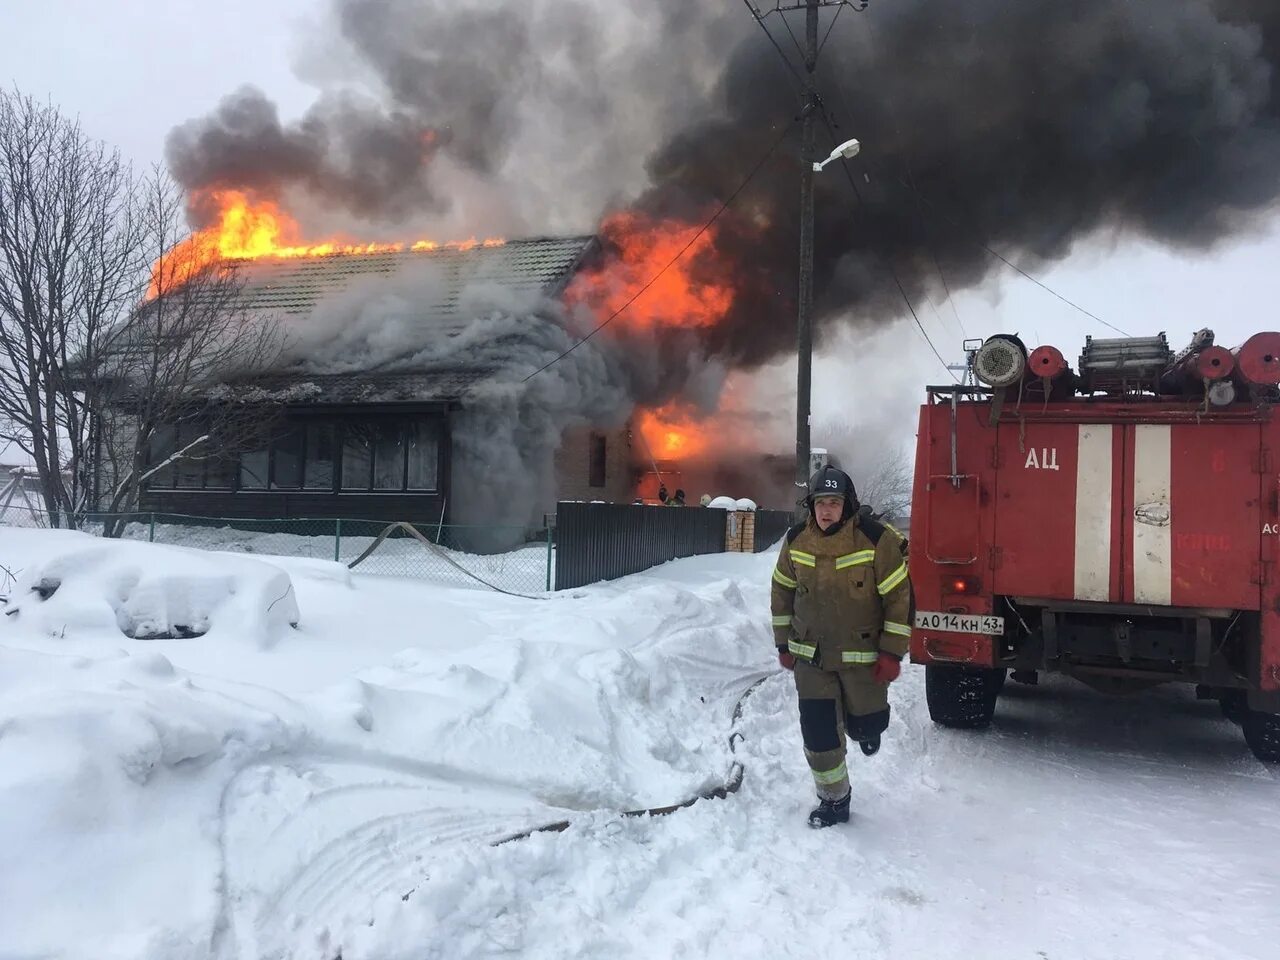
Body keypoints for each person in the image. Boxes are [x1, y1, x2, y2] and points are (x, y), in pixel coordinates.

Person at [770, 466, 912, 828]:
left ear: (847, 505)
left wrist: (891, 653)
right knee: (819, 736)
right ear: (811, 507)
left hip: (862, 660)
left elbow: (899, 598)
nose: (826, 510)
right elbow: (781, 593)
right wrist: (784, 644)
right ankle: (834, 800)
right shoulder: (796, 540)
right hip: (811, 659)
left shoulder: (876, 540)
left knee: (866, 723)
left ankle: (866, 730)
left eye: (834, 503)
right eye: (820, 503)